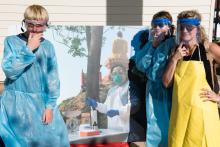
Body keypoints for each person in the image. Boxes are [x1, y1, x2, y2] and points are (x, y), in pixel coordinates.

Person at [0, 5, 69, 147]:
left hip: (41, 103)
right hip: (14, 104)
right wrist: (29, 49)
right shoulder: (11, 41)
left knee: (55, 139)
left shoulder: (48, 47)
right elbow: (10, 71)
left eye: (40, 25)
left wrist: (50, 107)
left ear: (46, 25)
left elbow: (53, 79)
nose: (35, 29)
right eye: (30, 24)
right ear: (24, 22)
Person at [163, 10, 220, 147]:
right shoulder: (175, 52)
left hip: (202, 115)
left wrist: (219, 96)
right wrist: (174, 59)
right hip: (180, 115)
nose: (185, 31)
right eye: (182, 27)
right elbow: (166, 83)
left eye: (189, 27)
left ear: (197, 28)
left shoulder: (208, 49)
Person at [135, 11, 176, 147]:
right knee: (154, 127)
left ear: (169, 27)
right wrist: (153, 46)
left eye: (161, 25)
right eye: (154, 25)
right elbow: (141, 66)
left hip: (170, 92)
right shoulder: (150, 44)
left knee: (171, 127)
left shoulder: (174, 43)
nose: (157, 28)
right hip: (152, 93)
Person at [86, 65, 130, 132]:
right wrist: (96, 104)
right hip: (112, 128)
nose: (117, 75)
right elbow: (106, 108)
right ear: (111, 76)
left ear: (126, 74)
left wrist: (118, 112)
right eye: (115, 73)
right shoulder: (111, 91)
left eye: (120, 73)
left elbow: (132, 105)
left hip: (125, 128)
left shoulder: (129, 87)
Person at [127, 29, 149, 144]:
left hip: (151, 115)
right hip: (137, 119)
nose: (134, 51)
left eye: (136, 47)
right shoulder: (133, 63)